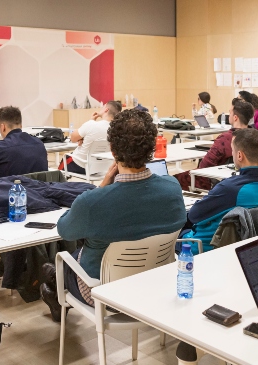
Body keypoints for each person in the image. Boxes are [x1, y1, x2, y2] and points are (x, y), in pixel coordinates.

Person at [39, 109, 187, 322]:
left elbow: (65, 230)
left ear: (112, 150)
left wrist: (102, 186)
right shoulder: (173, 188)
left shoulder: (93, 202)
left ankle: (54, 286)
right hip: (154, 284)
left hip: (103, 294)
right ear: (153, 149)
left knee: (61, 263)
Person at [181, 128, 258, 254]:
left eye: (233, 150)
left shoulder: (230, 189)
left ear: (239, 155)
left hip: (206, 246)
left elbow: (194, 215)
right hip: (247, 247)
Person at [175, 99, 253, 191]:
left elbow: (204, 166)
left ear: (235, 117)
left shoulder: (225, 138)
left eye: (230, 112)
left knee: (173, 180)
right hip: (243, 179)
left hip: (213, 180)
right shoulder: (255, 136)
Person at [58, 100, 121, 174]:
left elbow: (73, 138)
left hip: (80, 164)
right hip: (102, 167)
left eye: (103, 106)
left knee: (65, 161)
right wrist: (83, 137)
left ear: (106, 109)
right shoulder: (117, 129)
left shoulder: (91, 125)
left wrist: (90, 121)